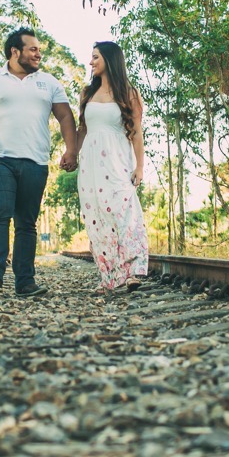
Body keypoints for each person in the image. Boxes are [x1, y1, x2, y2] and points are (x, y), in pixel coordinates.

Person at [0, 27, 78, 296]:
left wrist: (71, 149)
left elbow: (65, 116)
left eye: (39, 49)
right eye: (33, 49)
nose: (38, 54)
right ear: (15, 51)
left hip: (35, 161)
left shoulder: (49, 82)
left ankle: (25, 282)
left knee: (26, 223)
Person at [77, 41, 148, 293]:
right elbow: (82, 130)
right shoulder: (87, 93)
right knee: (97, 217)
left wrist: (140, 167)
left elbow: (136, 133)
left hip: (118, 162)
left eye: (95, 57)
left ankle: (132, 271)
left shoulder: (129, 93)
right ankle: (108, 276)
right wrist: (71, 154)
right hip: (90, 166)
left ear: (110, 59)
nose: (91, 62)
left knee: (124, 212)